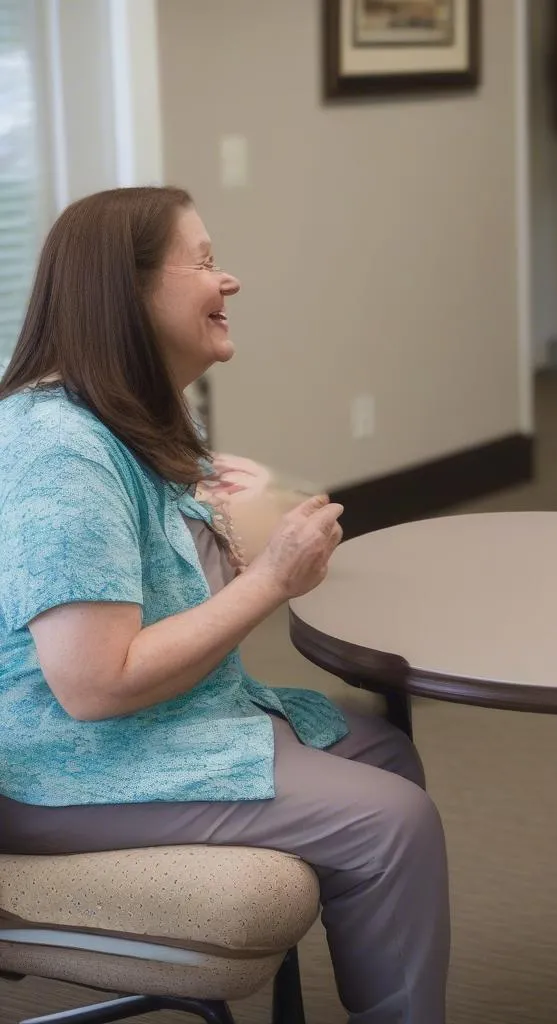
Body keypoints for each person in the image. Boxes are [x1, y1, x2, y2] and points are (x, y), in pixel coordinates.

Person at [0, 186, 449, 1024]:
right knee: (396, 822)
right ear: (126, 293)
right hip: (58, 768)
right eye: (204, 262)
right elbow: (93, 686)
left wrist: (259, 537)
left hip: (146, 729)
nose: (228, 280)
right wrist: (267, 583)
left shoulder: (126, 419)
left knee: (384, 753)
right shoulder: (58, 453)